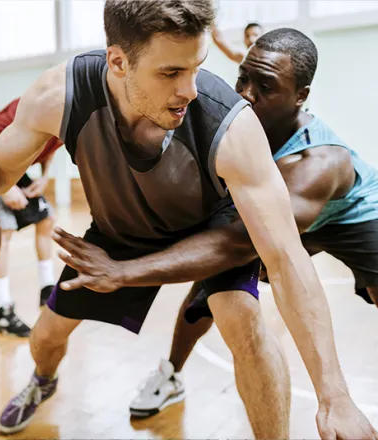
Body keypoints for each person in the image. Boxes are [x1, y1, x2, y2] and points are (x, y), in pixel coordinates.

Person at [0, 1, 375, 437]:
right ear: (118, 61)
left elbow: (286, 258)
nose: (191, 90)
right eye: (170, 73)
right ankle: (42, 381)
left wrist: (334, 394)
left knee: (243, 323)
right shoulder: (62, 94)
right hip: (118, 233)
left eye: (196, 67)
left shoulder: (230, 124)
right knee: (45, 337)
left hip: (206, 227)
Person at [52, 27, 378, 438]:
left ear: (301, 96)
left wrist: (123, 271)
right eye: (243, 78)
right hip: (269, 217)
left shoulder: (317, 162)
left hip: (352, 215)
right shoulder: (229, 127)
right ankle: (170, 373)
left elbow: (237, 243)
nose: (245, 94)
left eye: (266, 87)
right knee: (213, 294)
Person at [0, 98, 62, 337]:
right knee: (4, 231)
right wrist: (6, 189)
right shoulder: (26, 107)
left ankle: (47, 288)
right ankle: (3, 312)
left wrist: (44, 177)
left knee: (46, 219)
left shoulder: (68, 120)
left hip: (12, 170)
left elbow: (49, 148)